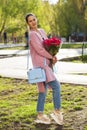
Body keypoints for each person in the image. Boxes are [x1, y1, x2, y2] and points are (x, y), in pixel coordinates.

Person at [25, 13, 63, 125]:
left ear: (36, 19)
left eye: (34, 19)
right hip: (41, 66)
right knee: (56, 86)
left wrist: (53, 57)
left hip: (47, 64)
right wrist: (51, 57)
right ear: (28, 23)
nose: (33, 22)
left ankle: (40, 115)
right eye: (30, 21)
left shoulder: (41, 31)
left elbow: (48, 46)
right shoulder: (32, 35)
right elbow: (40, 50)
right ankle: (57, 111)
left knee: (43, 91)